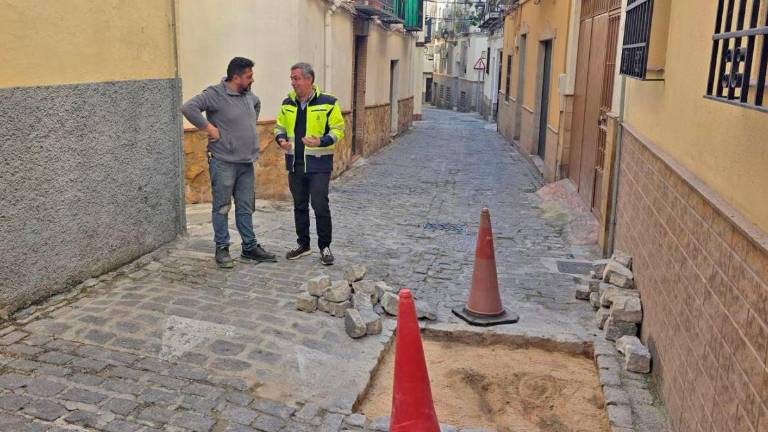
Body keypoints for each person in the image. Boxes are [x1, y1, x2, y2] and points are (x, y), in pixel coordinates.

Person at [181, 57, 277, 268]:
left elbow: (257, 104)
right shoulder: (215, 94)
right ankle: (222, 248)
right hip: (223, 161)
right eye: (249, 76)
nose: (252, 80)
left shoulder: (248, 95)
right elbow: (188, 108)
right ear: (236, 77)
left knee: (245, 206)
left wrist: (247, 126)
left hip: (246, 162)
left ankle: (249, 247)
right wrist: (210, 128)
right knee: (222, 206)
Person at [274, 63, 345, 265]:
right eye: (292, 78)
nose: (293, 82)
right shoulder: (287, 103)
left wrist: (321, 141)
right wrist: (281, 140)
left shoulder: (328, 102)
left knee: (320, 206)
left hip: (319, 165)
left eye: (296, 78)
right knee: (299, 206)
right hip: (295, 165)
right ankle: (303, 245)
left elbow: (338, 129)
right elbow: (279, 127)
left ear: (309, 80)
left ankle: (325, 247)